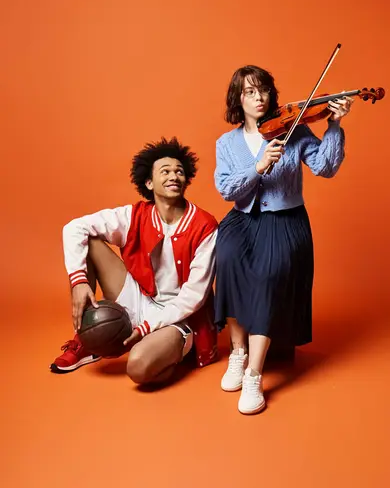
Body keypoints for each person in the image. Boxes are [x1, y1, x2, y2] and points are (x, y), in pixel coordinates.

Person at [214, 65, 352, 414]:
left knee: (269, 275)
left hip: (285, 220)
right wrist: (257, 167)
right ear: (238, 99)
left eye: (262, 90)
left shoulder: (295, 128)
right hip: (243, 221)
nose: (258, 97)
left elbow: (326, 166)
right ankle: (238, 351)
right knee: (226, 258)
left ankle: (254, 375)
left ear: (271, 94)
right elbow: (226, 189)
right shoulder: (226, 143)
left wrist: (334, 125)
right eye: (249, 92)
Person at [50, 137, 219, 385]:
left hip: (178, 316)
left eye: (179, 172)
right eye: (165, 171)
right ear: (149, 182)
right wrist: (78, 282)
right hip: (138, 297)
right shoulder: (135, 215)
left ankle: (170, 352)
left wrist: (149, 327)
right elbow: (74, 228)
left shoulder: (204, 225)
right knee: (90, 241)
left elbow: (194, 296)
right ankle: (87, 340)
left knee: (138, 368)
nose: (174, 176)